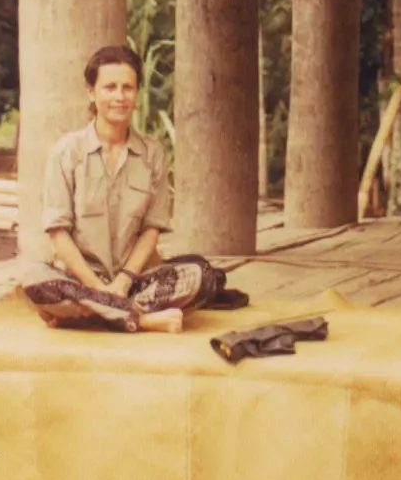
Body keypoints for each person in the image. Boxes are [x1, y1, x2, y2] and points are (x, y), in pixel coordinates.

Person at [22, 44, 245, 333]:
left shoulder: (153, 154)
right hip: (82, 278)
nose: (119, 96)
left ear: (137, 93)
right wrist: (97, 286)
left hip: (136, 279)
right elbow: (58, 233)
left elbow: (152, 230)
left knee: (201, 274)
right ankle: (142, 320)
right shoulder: (66, 152)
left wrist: (123, 281)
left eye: (127, 88)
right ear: (92, 91)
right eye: (110, 87)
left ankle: (89, 315)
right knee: (34, 279)